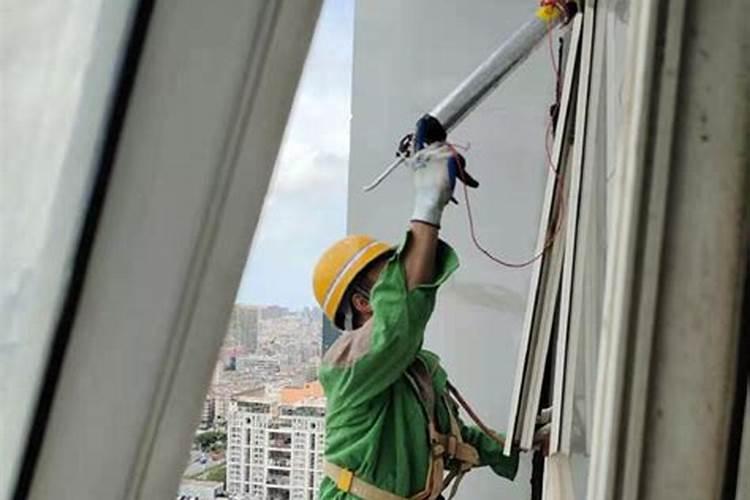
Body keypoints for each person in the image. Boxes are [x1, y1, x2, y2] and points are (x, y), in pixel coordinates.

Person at [312, 116, 528, 500]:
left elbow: (455, 437)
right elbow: (397, 322)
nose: (408, 275)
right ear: (363, 303)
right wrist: (427, 206)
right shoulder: (347, 365)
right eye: (390, 278)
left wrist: (521, 443)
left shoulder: (412, 371)